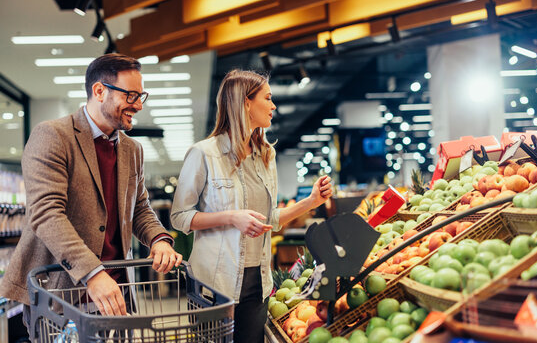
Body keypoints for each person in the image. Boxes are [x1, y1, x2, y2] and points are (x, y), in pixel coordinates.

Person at [0, 53, 182, 327]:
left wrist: (158, 238)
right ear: (99, 91)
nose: (138, 106)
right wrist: (93, 273)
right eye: (131, 96)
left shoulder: (133, 150)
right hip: (61, 293)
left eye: (141, 96)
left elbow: (139, 207)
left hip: (116, 294)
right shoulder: (53, 136)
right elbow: (46, 214)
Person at [170, 69, 332, 342]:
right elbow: (179, 217)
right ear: (246, 102)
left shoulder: (266, 155)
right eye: (267, 98)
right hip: (215, 282)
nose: (273, 106)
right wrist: (231, 217)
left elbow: (271, 218)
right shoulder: (204, 154)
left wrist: (311, 201)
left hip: (258, 280)